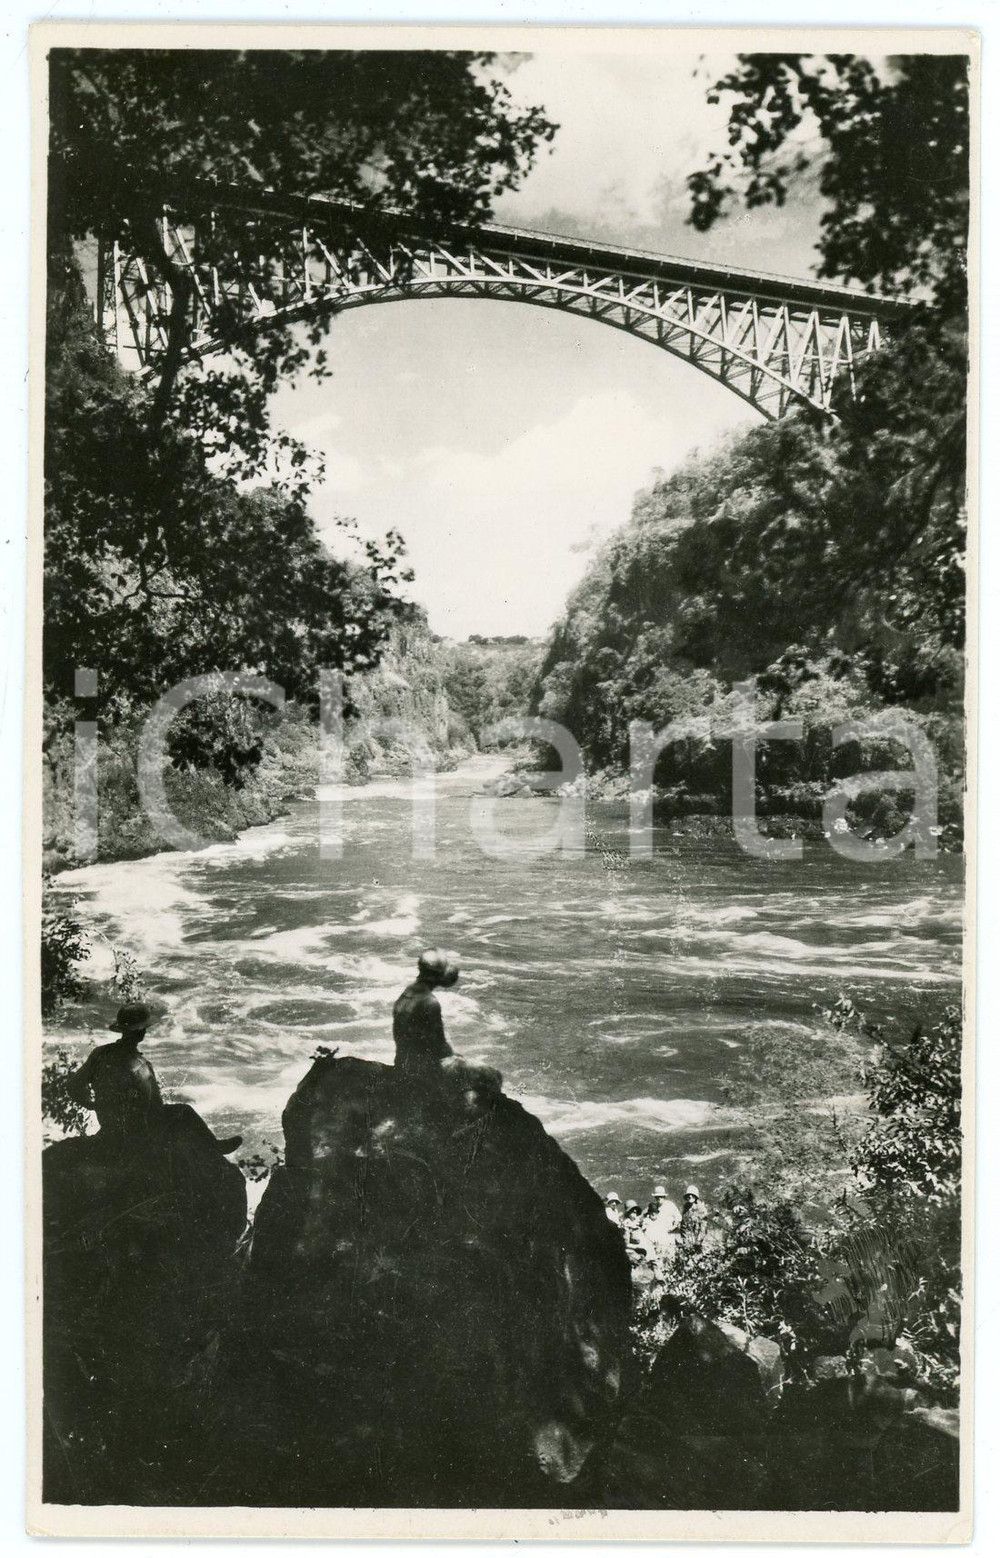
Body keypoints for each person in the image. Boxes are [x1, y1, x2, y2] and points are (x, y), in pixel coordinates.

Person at [68, 1003, 242, 1153]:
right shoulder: (141, 1066)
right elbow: (154, 1109)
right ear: (141, 1032)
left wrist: (93, 1105)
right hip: (136, 1135)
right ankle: (215, 1147)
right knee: (184, 1111)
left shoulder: (100, 1053)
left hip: (108, 1127)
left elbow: (73, 1086)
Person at [393, 949, 458, 1077]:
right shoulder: (430, 1002)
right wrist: (456, 1058)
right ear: (438, 974)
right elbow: (440, 1046)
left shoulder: (408, 992)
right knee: (489, 1074)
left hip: (402, 1064)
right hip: (422, 1072)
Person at [643, 1183, 681, 1259]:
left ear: (664, 1196)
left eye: (661, 1196)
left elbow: (678, 1218)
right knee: (657, 1256)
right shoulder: (653, 1206)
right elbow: (644, 1215)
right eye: (657, 1197)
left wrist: (673, 1227)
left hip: (668, 1234)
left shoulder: (670, 1205)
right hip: (657, 1235)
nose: (659, 1198)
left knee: (669, 1256)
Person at [679, 1184, 707, 1251]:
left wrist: (698, 1241)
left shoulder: (701, 1209)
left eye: (692, 1195)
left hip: (698, 1241)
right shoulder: (685, 1209)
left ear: (695, 1196)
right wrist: (685, 1241)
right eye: (688, 1195)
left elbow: (703, 1227)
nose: (690, 1196)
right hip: (688, 1240)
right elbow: (683, 1227)